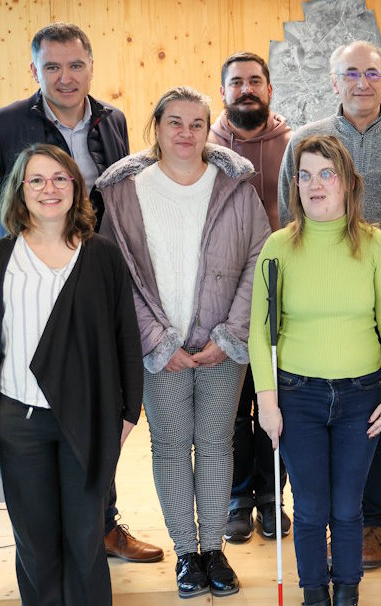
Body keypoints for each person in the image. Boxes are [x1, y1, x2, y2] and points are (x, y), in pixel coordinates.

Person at [0, 21, 161, 564]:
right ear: (35, 71)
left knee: (94, 421)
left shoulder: (112, 120)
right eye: (52, 67)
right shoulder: (1, 125)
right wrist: (28, 266)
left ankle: (104, 525)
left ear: (91, 67)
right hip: (35, 291)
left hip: (93, 289)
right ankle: (60, 544)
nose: (66, 77)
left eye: (76, 65)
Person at [96, 86, 270, 599]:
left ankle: (213, 548)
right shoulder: (126, 191)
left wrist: (230, 335)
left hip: (222, 348)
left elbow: (259, 258)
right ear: (157, 126)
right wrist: (157, 340)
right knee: (170, 447)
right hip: (159, 351)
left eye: (197, 123)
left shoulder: (235, 185)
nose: (186, 133)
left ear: (208, 128)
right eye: (176, 122)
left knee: (216, 446)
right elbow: (117, 274)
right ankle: (186, 554)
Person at [0, 144, 143, 604]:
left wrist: (128, 413)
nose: (49, 189)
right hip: (18, 424)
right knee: (36, 544)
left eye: (60, 178)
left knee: (85, 540)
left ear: (76, 186)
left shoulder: (101, 257)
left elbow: (126, 339)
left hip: (86, 419)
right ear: (21, 191)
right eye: (36, 180)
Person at [277, 39, 381, 568]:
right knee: (318, 423)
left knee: (380, 416)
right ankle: (322, 517)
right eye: (351, 73)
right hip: (325, 298)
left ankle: (372, 523)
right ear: (333, 80)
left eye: (372, 73)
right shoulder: (306, 140)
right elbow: (288, 213)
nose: (361, 83)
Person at [254, 135, 381, 606]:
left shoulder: (374, 243)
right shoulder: (278, 247)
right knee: (310, 508)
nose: (315, 184)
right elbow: (261, 333)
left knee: (348, 509)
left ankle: (347, 594)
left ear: (346, 183)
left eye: (327, 174)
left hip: (362, 395)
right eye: (305, 175)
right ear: (295, 185)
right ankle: (314, 596)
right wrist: (266, 399)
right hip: (297, 396)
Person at [210, 50, 294, 544]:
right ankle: (239, 497)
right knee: (234, 405)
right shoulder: (205, 144)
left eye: (255, 81)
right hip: (222, 296)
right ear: (223, 91)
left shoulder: (292, 141)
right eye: (236, 82)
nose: (246, 89)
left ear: (269, 89)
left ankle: (271, 497)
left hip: (280, 292)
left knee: (272, 400)